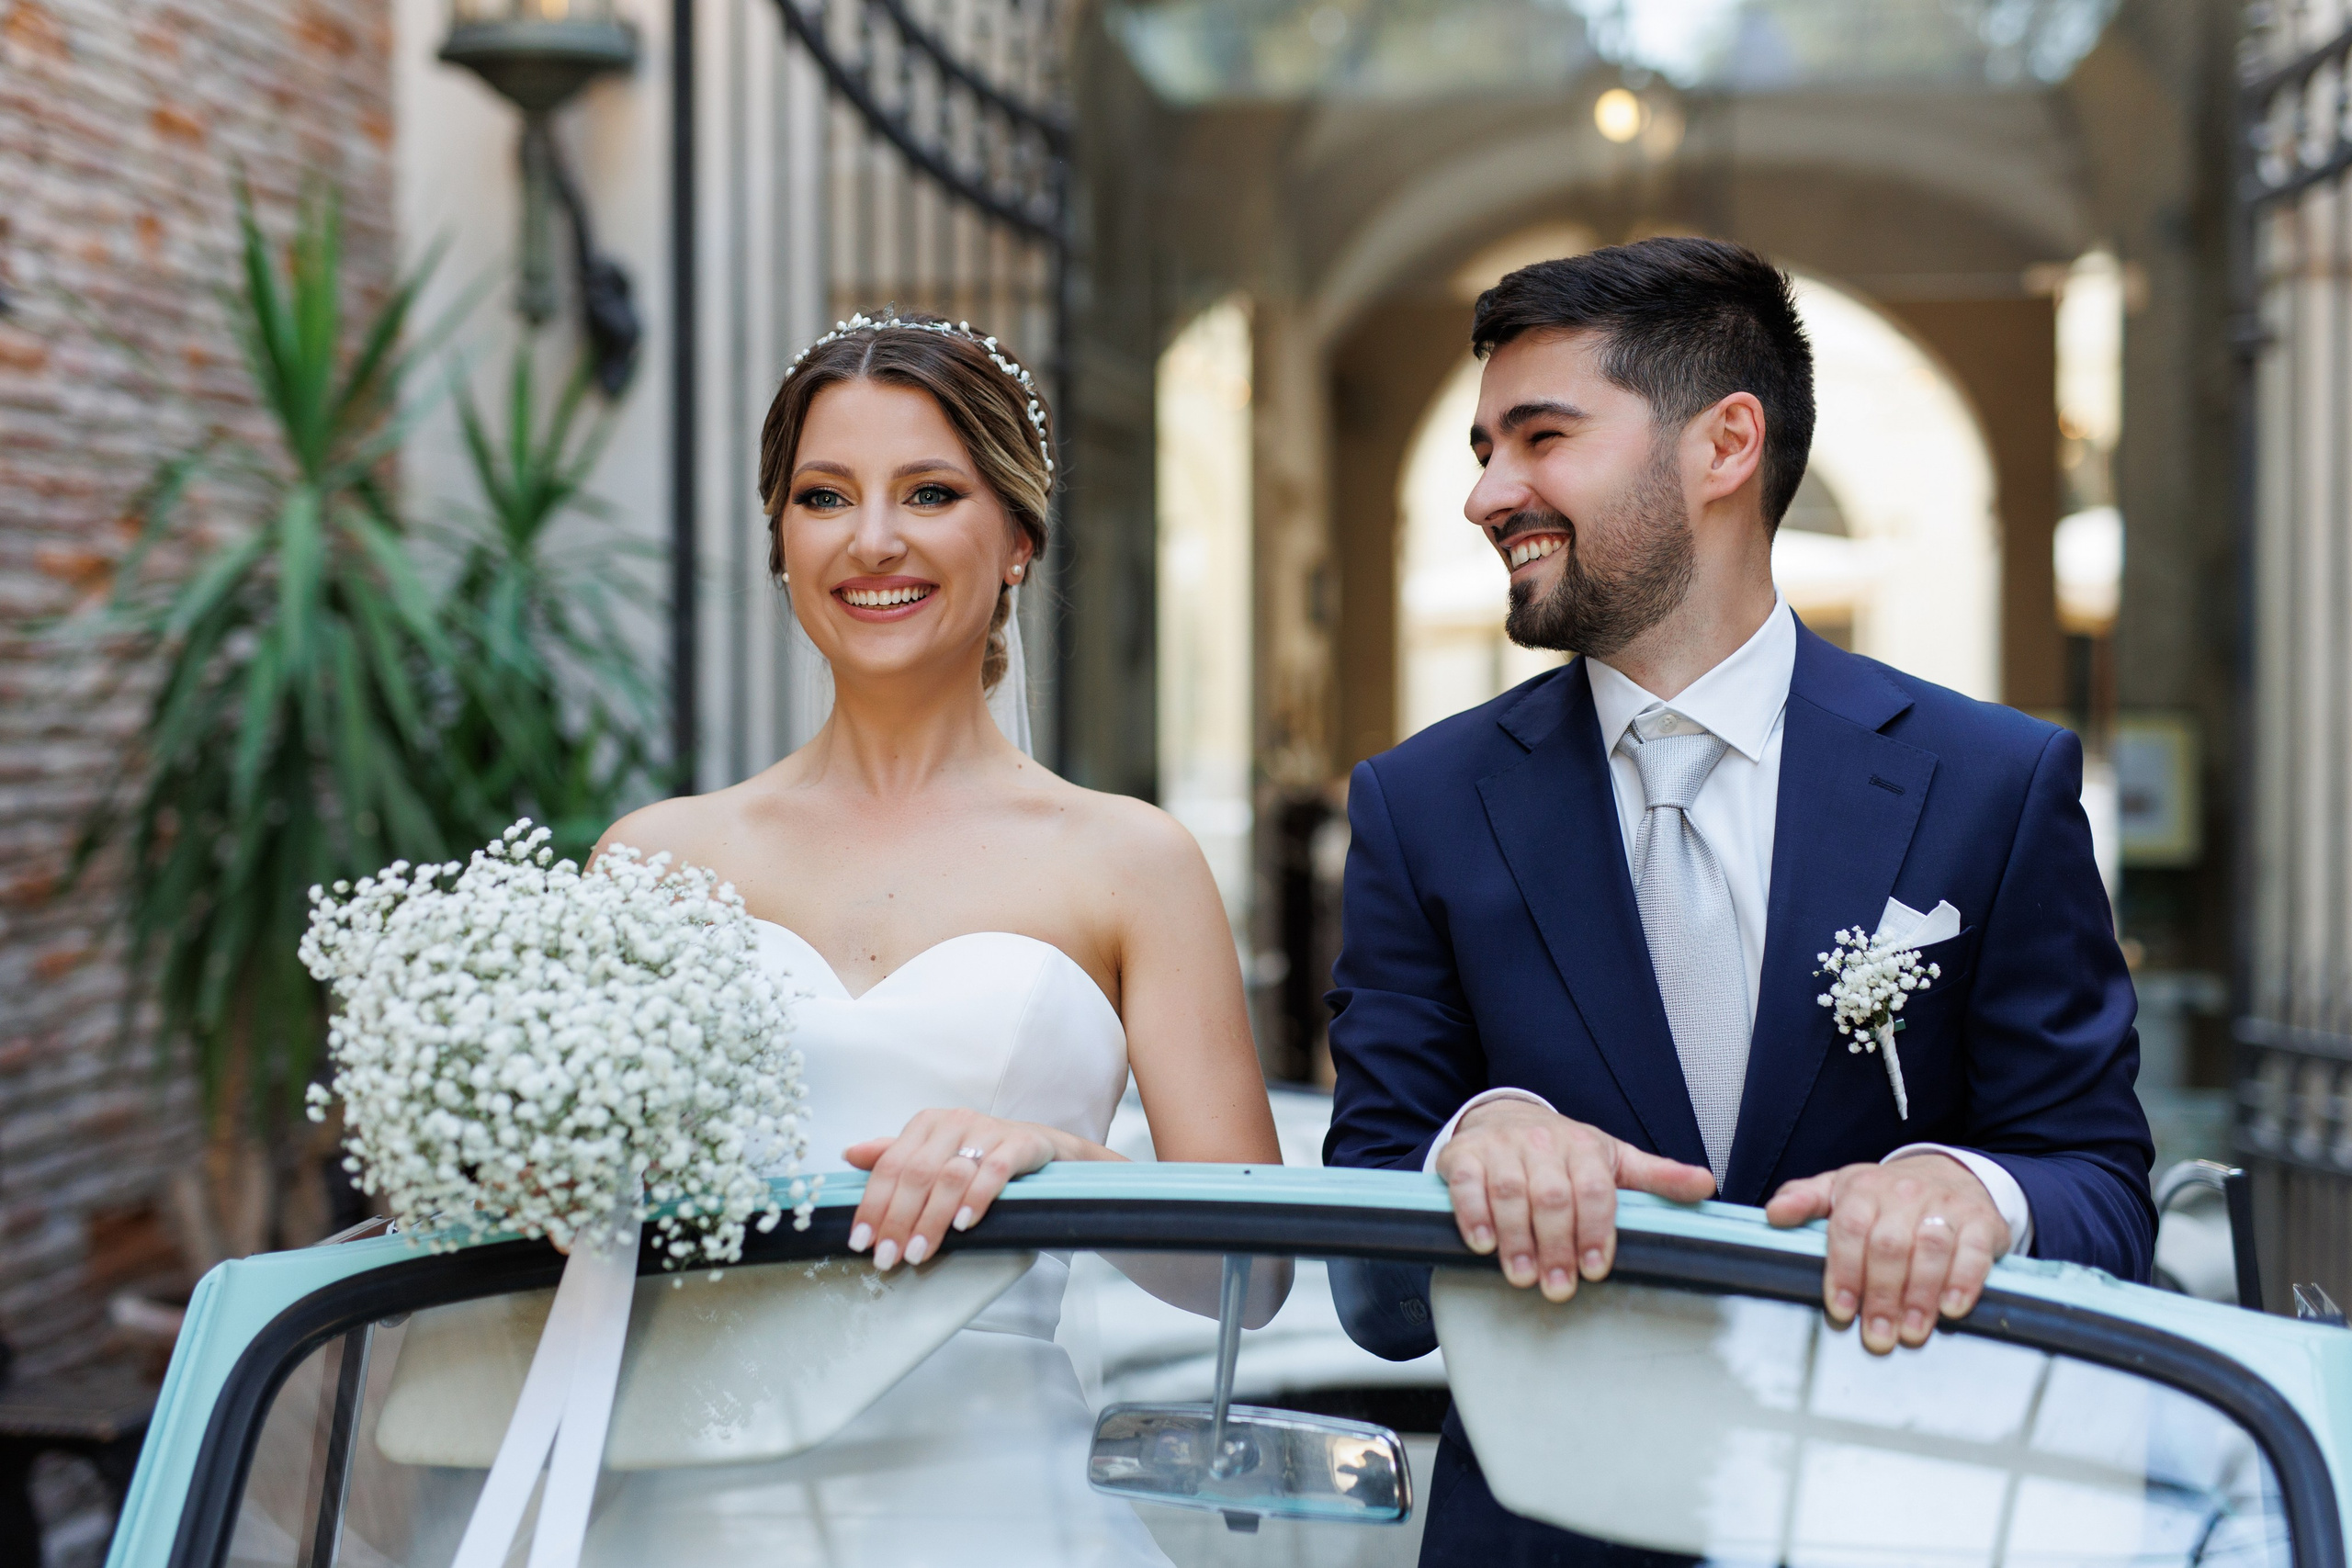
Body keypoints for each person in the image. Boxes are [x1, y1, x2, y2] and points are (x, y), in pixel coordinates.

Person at [1323, 238, 2154, 1562]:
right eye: (1484, 448)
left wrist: (1964, 1189)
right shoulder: (1419, 806)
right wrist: (1467, 1148)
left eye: (1540, 437)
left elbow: (2105, 1200)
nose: (1488, 493)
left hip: (1906, 1523)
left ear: (1724, 446)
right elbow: (1373, 1294)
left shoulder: (1995, 784)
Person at [584, 310, 1283, 1564]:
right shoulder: (653, 862)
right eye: (823, 496)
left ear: (1015, 538)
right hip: (689, 1508)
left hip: (1004, 1509)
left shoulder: (1132, 861)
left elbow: (1255, 1272)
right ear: (781, 541)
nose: (873, 541)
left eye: (929, 491)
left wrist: (1056, 1169)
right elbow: (573, 1230)